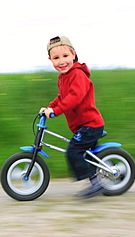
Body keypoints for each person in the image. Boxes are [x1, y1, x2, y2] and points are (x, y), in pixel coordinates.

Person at [40, 36, 105, 198]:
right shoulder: (63, 77)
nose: (61, 61)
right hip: (83, 125)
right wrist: (50, 107)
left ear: (74, 55)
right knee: (86, 155)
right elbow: (62, 97)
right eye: (56, 58)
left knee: (73, 151)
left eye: (65, 56)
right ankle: (96, 178)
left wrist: (57, 110)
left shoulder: (77, 75)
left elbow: (74, 97)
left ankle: (96, 183)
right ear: (50, 60)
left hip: (90, 124)